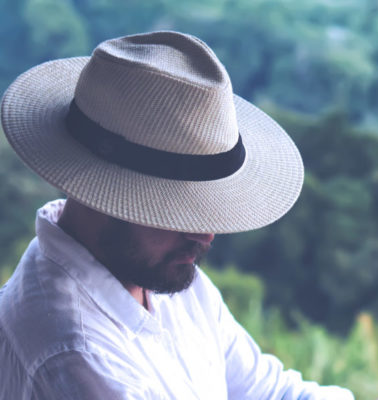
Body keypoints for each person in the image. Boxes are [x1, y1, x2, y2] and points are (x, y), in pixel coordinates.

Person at [0, 30, 357, 399]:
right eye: (178, 211)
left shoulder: (161, 274)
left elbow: (270, 391)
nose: (205, 236)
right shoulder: (77, 358)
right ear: (101, 194)